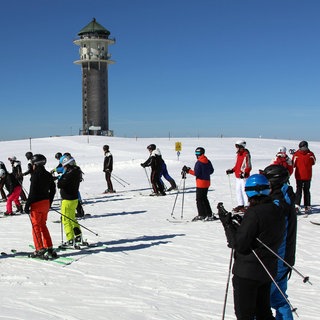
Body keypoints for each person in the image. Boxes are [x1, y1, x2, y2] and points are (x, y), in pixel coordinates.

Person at [218, 174, 286, 319]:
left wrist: (228, 224)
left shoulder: (254, 213)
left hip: (248, 273)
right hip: (267, 269)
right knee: (263, 312)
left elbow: (239, 244)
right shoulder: (277, 210)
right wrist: (240, 224)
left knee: (245, 314)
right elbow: (260, 234)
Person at [263, 165, 297, 320]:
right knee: (280, 300)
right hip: (285, 258)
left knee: (260, 302)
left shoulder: (278, 202)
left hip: (275, 259)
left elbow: (269, 231)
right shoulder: (286, 195)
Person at [24, 154, 57, 259]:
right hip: (45, 203)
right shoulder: (48, 174)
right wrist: (49, 202)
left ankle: (39, 249)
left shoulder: (35, 175)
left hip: (37, 204)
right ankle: (49, 247)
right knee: (43, 225)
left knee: (36, 227)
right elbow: (53, 189)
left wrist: (27, 204)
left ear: (35, 164)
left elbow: (32, 192)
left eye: (32, 164)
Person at [182, 147, 217, 221]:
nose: (197, 155)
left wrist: (188, 170)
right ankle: (208, 213)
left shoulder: (199, 162)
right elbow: (211, 170)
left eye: (197, 153)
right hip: (207, 182)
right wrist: (205, 173)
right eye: (196, 153)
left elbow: (196, 173)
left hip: (201, 183)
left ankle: (201, 214)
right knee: (204, 198)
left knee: (199, 199)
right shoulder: (207, 161)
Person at [57, 155, 84, 246]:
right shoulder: (76, 170)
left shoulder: (69, 173)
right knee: (72, 218)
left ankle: (70, 239)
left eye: (63, 165)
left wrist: (61, 176)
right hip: (74, 199)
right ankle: (78, 236)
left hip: (67, 200)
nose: (63, 167)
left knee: (66, 220)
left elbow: (60, 184)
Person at [226, 140, 252, 212]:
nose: (236, 148)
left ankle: (247, 205)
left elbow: (248, 166)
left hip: (244, 177)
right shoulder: (238, 155)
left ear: (241, 147)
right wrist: (232, 170)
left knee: (244, 191)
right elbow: (237, 165)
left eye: (237, 147)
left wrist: (245, 173)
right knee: (238, 190)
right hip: (238, 176)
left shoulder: (246, 154)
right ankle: (240, 204)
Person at [292, 140, 316, 214]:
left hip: (306, 176)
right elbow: (293, 164)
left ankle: (306, 206)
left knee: (304, 191)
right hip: (300, 176)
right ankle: (299, 206)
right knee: (301, 191)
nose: (303, 149)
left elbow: (313, 162)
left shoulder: (310, 154)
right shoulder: (297, 154)